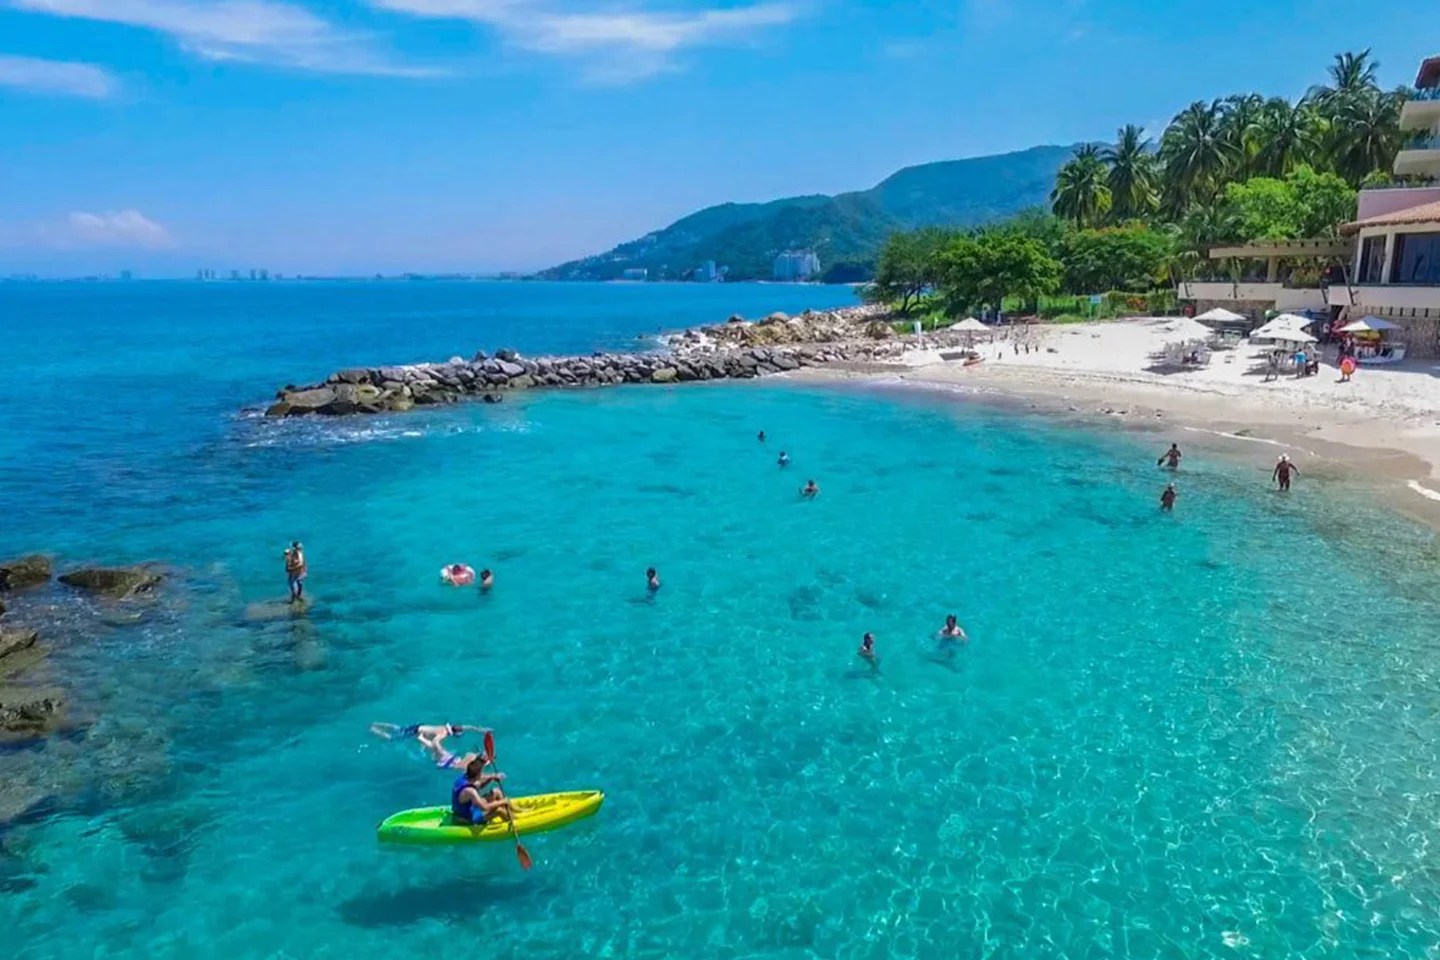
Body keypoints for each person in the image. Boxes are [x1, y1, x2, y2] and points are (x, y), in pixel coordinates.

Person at [451, 757, 513, 827]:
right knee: (499, 810)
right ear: (477, 775)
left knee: (496, 791)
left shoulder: (465, 777)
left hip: (472, 808)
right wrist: (503, 802)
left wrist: (491, 778)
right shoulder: (470, 791)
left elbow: (479, 785)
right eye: (481, 773)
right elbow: (485, 807)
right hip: (468, 818)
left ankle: (513, 813)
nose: (482, 774)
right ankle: (512, 821)